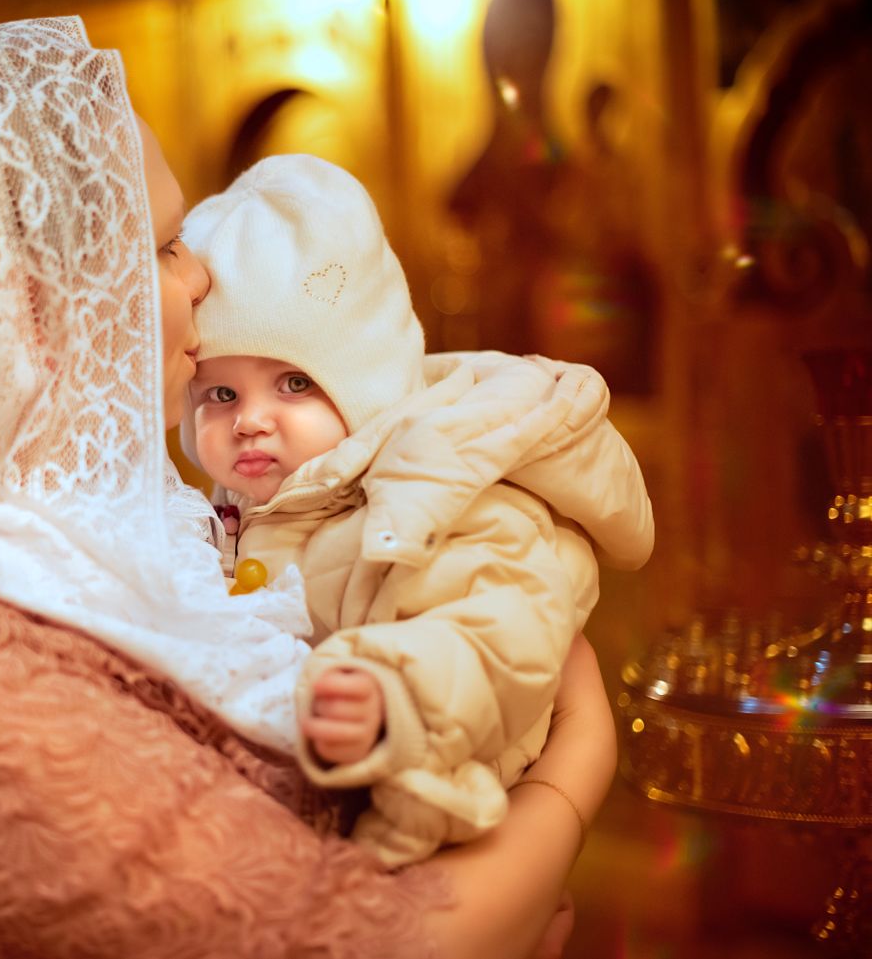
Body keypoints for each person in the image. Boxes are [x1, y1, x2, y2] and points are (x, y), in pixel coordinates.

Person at [0, 17, 617, 958]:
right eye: (161, 247)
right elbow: (373, 943)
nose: (199, 276)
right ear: (24, 311)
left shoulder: (74, 522)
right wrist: (579, 758)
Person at [182, 153, 653, 868]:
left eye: (294, 383)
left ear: (367, 383)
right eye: (221, 394)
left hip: (449, 799)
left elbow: (502, 625)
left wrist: (392, 700)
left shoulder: (434, 485)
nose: (249, 421)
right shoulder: (245, 510)